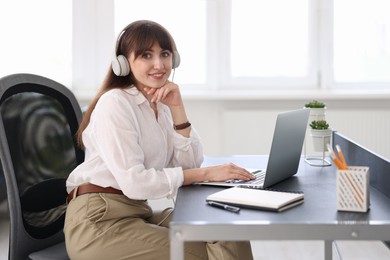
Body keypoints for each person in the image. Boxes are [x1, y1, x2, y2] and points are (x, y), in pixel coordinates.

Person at [64, 20, 254, 260]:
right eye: (146, 55)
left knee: (224, 225)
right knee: (203, 254)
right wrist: (207, 174)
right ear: (123, 63)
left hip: (135, 213)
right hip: (99, 220)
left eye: (164, 54)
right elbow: (135, 183)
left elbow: (188, 167)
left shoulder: (160, 105)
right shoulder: (115, 103)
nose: (159, 64)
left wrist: (177, 110)